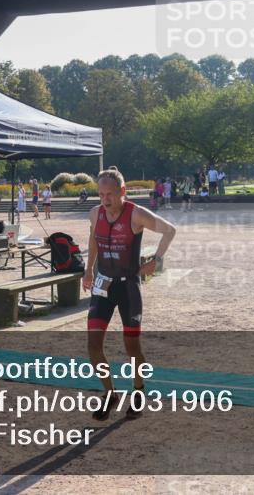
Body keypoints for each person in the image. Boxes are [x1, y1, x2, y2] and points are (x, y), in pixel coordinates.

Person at [83, 166, 177, 421]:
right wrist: (88, 270)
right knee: (93, 345)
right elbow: (93, 240)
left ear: (122, 192)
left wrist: (156, 260)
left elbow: (170, 230)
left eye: (110, 194)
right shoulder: (95, 214)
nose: (105, 200)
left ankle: (138, 391)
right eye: (101, 194)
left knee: (131, 347)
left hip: (128, 287)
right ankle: (110, 393)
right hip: (103, 285)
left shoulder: (136, 215)